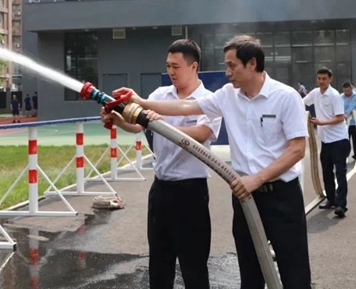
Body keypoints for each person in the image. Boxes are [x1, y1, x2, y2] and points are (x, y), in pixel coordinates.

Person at [113, 35, 311, 289]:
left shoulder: (286, 97)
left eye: (232, 66)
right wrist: (140, 102)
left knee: (294, 272)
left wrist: (257, 179)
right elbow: (186, 107)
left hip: (282, 197)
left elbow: (297, 150)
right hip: (245, 198)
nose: (227, 72)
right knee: (250, 274)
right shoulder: (227, 95)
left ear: (252, 63)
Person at [101, 39, 221, 289]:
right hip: (161, 190)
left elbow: (201, 134)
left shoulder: (208, 100)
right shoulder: (159, 95)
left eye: (176, 66)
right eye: (168, 66)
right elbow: (137, 126)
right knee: (159, 265)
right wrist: (117, 120)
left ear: (193, 66)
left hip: (191, 192)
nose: (171, 72)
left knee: (194, 266)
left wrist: (162, 124)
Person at [304, 67, 349, 218]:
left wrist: (321, 123)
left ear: (330, 79)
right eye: (319, 79)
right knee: (327, 172)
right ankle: (331, 199)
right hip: (325, 141)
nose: (321, 81)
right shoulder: (315, 93)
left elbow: (340, 117)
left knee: (340, 172)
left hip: (339, 140)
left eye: (324, 79)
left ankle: (341, 205)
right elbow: (301, 102)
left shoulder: (335, 95)